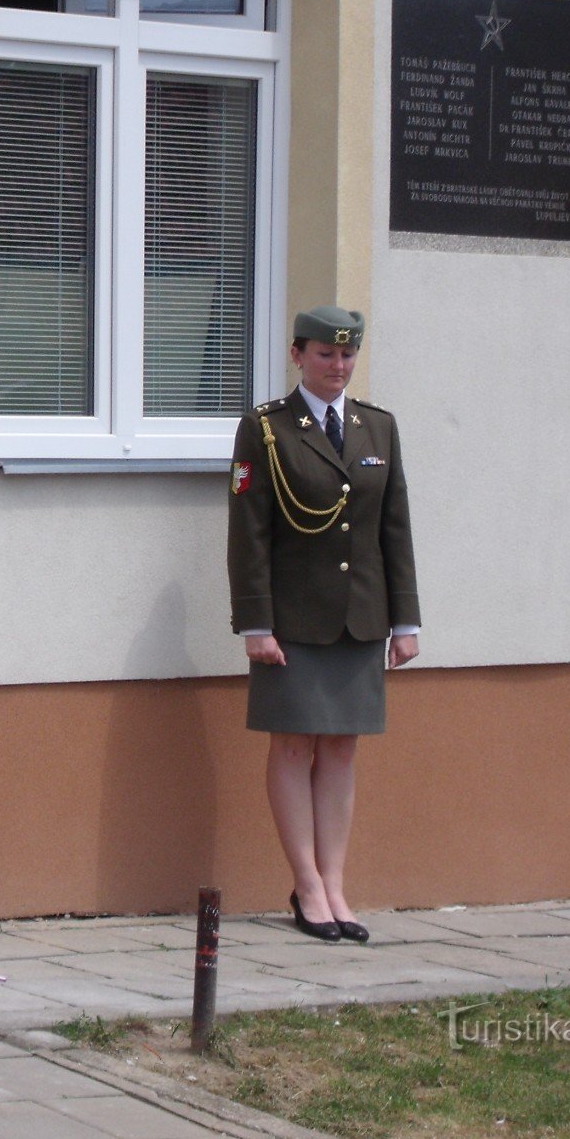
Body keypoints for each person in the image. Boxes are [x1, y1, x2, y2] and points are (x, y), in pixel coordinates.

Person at [227, 306, 419, 945]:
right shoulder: (267, 429)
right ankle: (306, 885)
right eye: (325, 355)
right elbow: (248, 533)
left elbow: (395, 528)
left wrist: (406, 620)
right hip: (292, 620)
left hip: (360, 618)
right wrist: (256, 622)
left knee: (341, 748)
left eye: (347, 356)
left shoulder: (378, 428)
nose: (338, 367)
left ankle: (336, 886)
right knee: (293, 746)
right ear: (297, 354)